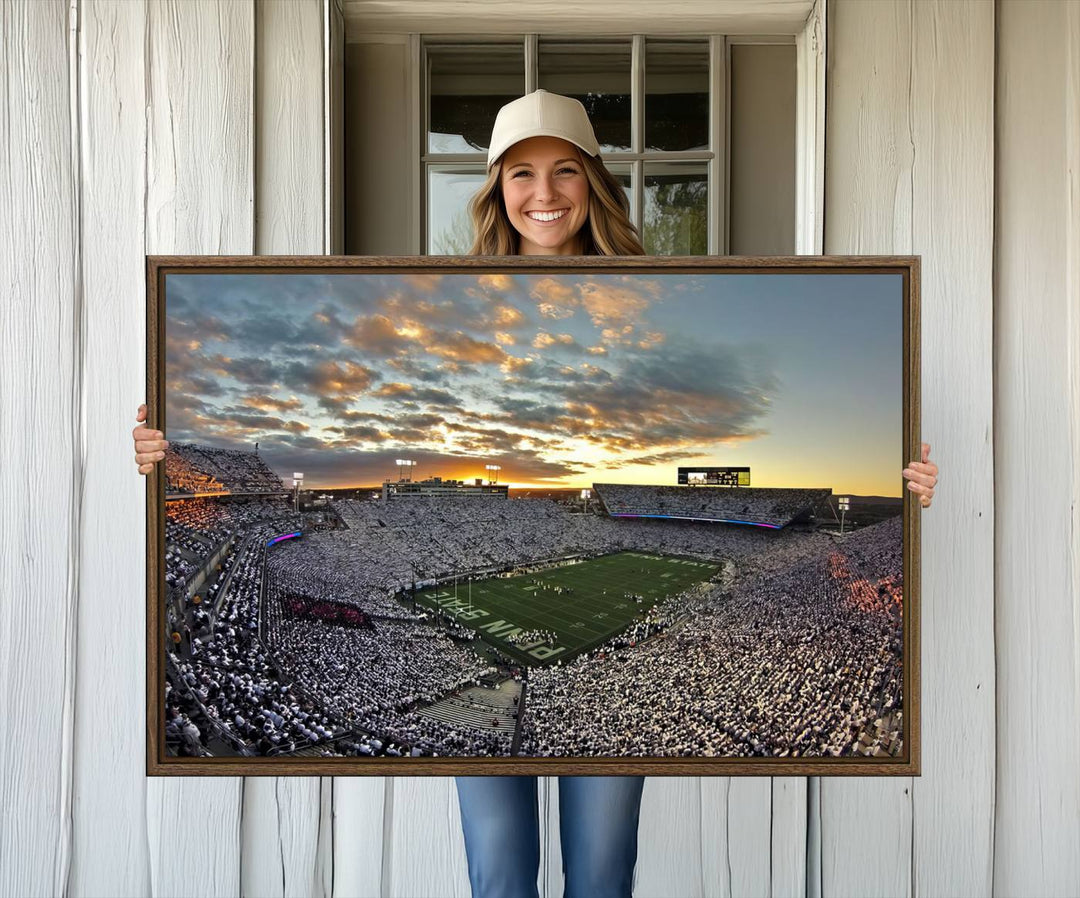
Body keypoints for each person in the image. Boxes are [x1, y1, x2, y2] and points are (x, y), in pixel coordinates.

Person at [132, 89, 939, 898]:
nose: (544, 193)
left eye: (564, 171)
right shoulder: (452, 298)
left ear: (593, 181)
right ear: (495, 188)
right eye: (521, 173)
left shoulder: (658, 293)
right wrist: (168, 450)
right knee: (500, 870)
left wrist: (905, 489)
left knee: (600, 870)